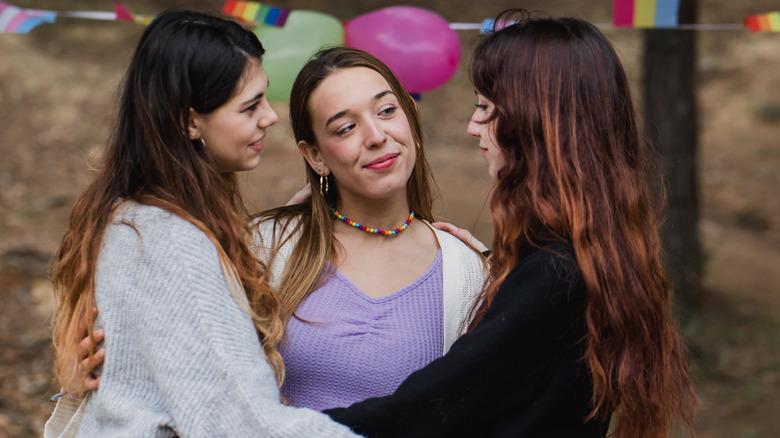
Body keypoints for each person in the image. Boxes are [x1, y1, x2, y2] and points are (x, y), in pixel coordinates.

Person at [325, 9, 696, 438]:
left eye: (485, 107)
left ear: (535, 121)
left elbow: (429, 408)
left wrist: (282, 425)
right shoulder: (585, 255)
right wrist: (498, 271)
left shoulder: (555, 272)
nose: (472, 126)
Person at [44, 10, 359, 437]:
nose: (269, 116)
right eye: (250, 106)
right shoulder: (171, 243)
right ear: (190, 121)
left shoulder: (130, 215)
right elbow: (244, 422)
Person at [251, 46, 487, 410]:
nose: (376, 136)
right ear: (315, 156)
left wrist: (499, 275)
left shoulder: (470, 272)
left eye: (387, 111)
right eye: (345, 128)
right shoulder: (266, 247)